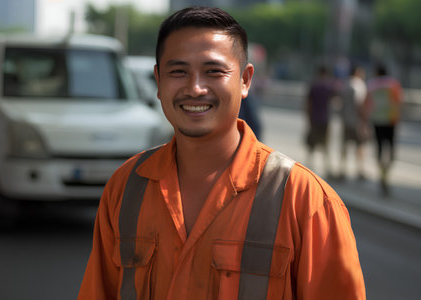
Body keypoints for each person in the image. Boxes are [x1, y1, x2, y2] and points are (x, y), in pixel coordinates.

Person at [78, 7, 365, 299]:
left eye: (213, 71)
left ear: (245, 80)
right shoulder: (126, 187)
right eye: (178, 72)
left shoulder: (306, 200)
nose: (195, 88)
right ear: (158, 80)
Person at [365, 63, 403, 195]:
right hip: (391, 121)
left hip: (377, 121)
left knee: (380, 148)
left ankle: (382, 173)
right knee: (391, 149)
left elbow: (367, 104)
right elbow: (398, 102)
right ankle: (386, 172)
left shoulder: (371, 85)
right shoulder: (393, 84)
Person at [304, 65, 337, 177]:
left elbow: (308, 104)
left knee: (311, 145)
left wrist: (308, 119)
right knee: (325, 145)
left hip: (314, 119)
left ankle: (308, 168)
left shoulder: (314, 86)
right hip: (325, 119)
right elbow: (335, 101)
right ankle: (328, 169)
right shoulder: (329, 86)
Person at [339, 65, 368, 180]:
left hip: (345, 120)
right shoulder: (358, 85)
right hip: (356, 121)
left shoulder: (345, 84)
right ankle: (360, 170)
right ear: (357, 72)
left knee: (345, 145)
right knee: (360, 145)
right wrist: (363, 120)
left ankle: (342, 170)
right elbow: (359, 104)